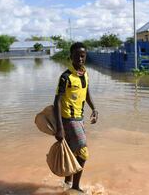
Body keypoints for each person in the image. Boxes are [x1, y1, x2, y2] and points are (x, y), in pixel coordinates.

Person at [53, 42, 98, 193]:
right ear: (71, 56)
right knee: (83, 153)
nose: (80, 58)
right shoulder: (65, 77)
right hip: (69, 120)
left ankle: (67, 184)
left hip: (80, 118)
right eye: (77, 55)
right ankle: (76, 187)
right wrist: (59, 129)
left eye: (83, 55)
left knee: (72, 152)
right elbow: (57, 102)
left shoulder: (84, 73)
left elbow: (86, 93)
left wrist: (94, 108)